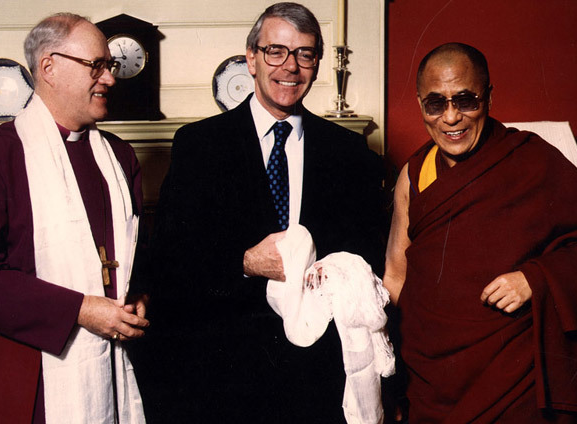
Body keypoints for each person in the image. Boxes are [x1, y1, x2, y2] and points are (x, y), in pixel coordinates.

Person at [131, 3, 389, 423]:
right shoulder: (200, 146)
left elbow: (367, 258)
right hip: (226, 377)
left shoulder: (349, 153)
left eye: (305, 54)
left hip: (318, 378)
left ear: (317, 63)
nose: (290, 66)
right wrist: (246, 263)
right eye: (276, 51)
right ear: (251, 58)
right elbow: (169, 265)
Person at [383, 42, 577, 423]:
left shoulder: (532, 161)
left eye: (465, 100)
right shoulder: (414, 174)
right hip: (430, 380)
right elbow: (396, 274)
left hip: (512, 378)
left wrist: (535, 280)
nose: (450, 118)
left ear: (489, 97)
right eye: (436, 103)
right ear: (420, 104)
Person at [0, 13, 150, 424]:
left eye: (109, 66)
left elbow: (135, 260)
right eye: (97, 65)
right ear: (49, 67)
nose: (109, 78)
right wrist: (80, 309)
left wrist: (139, 298)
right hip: (29, 371)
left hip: (116, 361)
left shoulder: (120, 157)